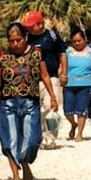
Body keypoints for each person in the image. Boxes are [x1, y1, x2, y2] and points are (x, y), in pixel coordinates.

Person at [0, 22, 57, 180]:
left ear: (25, 37)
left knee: (32, 139)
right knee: (10, 139)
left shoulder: (36, 54)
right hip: (8, 103)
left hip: (30, 103)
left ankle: (26, 164)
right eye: (11, 41)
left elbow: (45, 76)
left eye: (18, 40)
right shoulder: (3, 57)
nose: (15, 44)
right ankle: (15, 176)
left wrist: (52, 96)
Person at [23, 11, 67, 148]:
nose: (29, 28)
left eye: (32, 25)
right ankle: (39, 137)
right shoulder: (26, 38)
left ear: (40, 24)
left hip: (52, 76)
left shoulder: (52, 36)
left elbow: (62, 54)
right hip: (33, 78)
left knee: (50, 106)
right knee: (35, 108)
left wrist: (64, 72)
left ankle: (51, 138)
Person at [63, 28, 91, 140]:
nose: (77, 43)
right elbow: (62, 67)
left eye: (79, 40)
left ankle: (79, 134)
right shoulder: (67, 52)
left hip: (86, 84)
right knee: (67, 111)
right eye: (74, 41)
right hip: (69, 84)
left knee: (82, 110)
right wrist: (62, 75)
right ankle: (73, 124)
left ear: (84, 40)